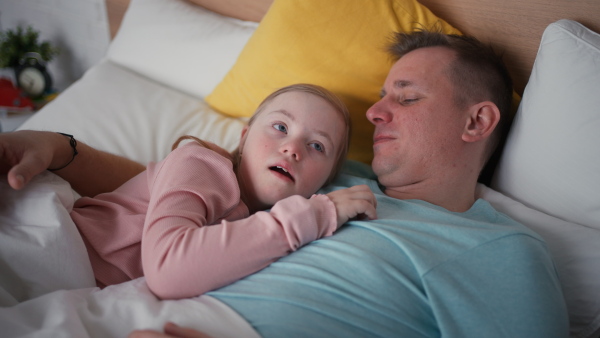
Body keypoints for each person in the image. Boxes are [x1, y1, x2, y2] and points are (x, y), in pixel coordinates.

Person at [0, 30, 568, 337]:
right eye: (380, 96)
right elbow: (182, 192)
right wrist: (61, 149)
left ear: (477, 121)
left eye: (406, 97)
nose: (375, 112)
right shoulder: (331, 180)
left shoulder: (503, 254)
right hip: (120, 305)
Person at [1, 83, 378, 300]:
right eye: (280, 127)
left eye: (317, 147)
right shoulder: (201, 164)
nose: (292, 148)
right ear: (244, 138)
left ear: (326, 181)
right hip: (47, 242)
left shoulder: (253, 225)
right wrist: (314, 215)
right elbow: (167, 270)